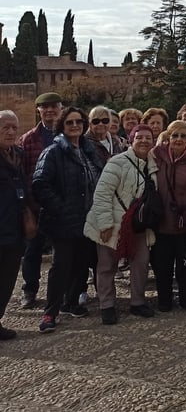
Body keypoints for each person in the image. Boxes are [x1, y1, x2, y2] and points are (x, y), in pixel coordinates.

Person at [33, 106, 101, 333]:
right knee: (61, 266)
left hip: (87, 219)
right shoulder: (53, 152)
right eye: (69, 122)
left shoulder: (89, 150)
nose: (75, 126)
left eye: (78, 122)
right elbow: (40, 184)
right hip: (62, 221)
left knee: (81, 263)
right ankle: (50, 312)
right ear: (62, 126)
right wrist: (60, 208)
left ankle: (70, 302)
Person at [83, 124, 158, 324]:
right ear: (131, 140)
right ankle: (106, 305)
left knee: (141, 264)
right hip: (113, 222)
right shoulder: (117, 162)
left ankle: (138, 301)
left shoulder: (153, 165)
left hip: (138, 225)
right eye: (139, 137)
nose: (144, 141)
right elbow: (102, 194)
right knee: (107, 266)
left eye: (148, 138)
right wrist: (105, 224)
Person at [151, 120, 186, 312]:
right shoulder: (157, 155)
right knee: (162, 266)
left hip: (185, 222)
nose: (179, 139)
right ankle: (164, 300)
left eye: (183, 136)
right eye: (175, 135)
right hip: (161, 221)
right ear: (168, 137)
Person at [18, 91, 63, 310]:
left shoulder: (68, 134)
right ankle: (30, 290)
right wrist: (26, 204)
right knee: (32, 250)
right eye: (45, 107)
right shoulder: (28, 139)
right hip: (36, 204)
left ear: (61, 109)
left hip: (61, 204)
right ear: (39, 110)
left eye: (54, 106)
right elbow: (23, 172)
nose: (50, 110)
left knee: (61, 251)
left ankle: (61, 291)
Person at [0, 111, 30, 340]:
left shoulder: (18, 154)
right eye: (5, 127)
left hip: (14, 228)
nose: (11, 132)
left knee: (8, 279)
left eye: (14, 128)